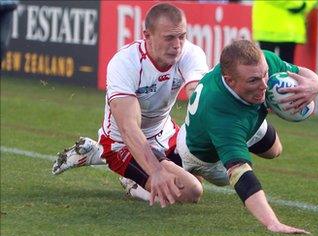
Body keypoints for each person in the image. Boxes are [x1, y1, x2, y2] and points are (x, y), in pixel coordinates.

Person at [52, 3, 208, 208]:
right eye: (169, 37)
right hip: (122, 144)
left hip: (166, 135)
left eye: (182, 36)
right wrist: (156, 171)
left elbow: (198, 95)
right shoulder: (125, 63)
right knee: (190, 191)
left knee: (199, 170)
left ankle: (96, 154)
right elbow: (128, 128)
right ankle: (129, 179)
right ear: (147, 36)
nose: (177, 45)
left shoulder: (189, 53)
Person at [177, 39, 318, 234]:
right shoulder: (221, 113)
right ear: (230, 80)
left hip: (242, 121)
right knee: (193, 192)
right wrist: (273, 223)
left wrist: (315, 85)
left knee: (275, 150)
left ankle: (239, 138)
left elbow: (301, 72)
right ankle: (171, 168)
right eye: (253, 80)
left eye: (264, 75)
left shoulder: (264, 62)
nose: (264, 85)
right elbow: (241, 175)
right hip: (203, 155)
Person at [252, 0, 317, 64]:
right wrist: (300, 4)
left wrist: (304, 5)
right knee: (268, 66)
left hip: (289, 29)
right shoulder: (299, 4)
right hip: (270, 27)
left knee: (282, 67)